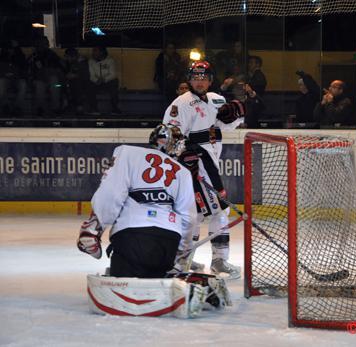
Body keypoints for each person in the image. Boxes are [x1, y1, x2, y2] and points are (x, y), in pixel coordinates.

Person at [77, 124, 197, 278]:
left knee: (125, 281)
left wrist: (98, 225)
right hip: (168, 241)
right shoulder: (183, 172)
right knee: (157, 277)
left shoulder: (126, 152)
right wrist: (180, 253)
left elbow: (111, 193)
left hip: (131, 235)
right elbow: (188, 219)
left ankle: (93, 227)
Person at [162, 61, 245, 278]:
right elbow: (169, 137)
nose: (200, 81)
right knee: (209, 211)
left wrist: (236, 113)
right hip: (193, 166)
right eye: (196, 77)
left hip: (210, 164)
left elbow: (227, 125)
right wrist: (183, 156)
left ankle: (186, 259)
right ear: (189, 80)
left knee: (199, 213)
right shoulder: (179, 104)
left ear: (210, 79)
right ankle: (216, 260)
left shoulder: (217, 99)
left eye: (204, 77)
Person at [27, 36, 63, 117]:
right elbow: (29, 69)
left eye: (45, 43)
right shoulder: (34, 56)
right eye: (41, 44)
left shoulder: (52, 54)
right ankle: (40, 109)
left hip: (51, 79)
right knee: (39, 86)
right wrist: (33, 77)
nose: (43, 45)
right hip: (38, 79)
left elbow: (59, 67)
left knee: (55, 82)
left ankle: (55, 109)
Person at [86, 46, 121, 115]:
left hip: (107, 81)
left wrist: (104, 79)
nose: (93, 53)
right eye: (93, 51)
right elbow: (91, 75)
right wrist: (96, 81)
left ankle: (115, 109)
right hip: (96, 82)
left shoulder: (110, 60)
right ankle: (94, 109)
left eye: (95, 51)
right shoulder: (91, 61)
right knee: (89, 85)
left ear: (102, 52)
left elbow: (113, 74)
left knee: (114, 82)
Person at [0, 40, 27, 116]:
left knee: (23, 84)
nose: (10, 50)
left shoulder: (19, 55)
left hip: (17, 78)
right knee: (1, 83)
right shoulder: (2, 55)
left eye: (12, 48)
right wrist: (5, 74)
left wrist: (17, 49)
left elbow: (23, 66)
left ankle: (17, 108)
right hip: (4, 78)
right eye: (9, 48)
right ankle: (5, 107)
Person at [62, 48, 89, 114]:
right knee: (60, 85)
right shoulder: (68, 63)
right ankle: (68, 105)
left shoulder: (82, 62)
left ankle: (79, 107)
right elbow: (66, 73)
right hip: (71, 83)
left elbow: (86, 76)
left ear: (73, 56)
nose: (66, 58)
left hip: (83, 83)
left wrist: (75, 75)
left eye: (67, 57)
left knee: (76, 83)